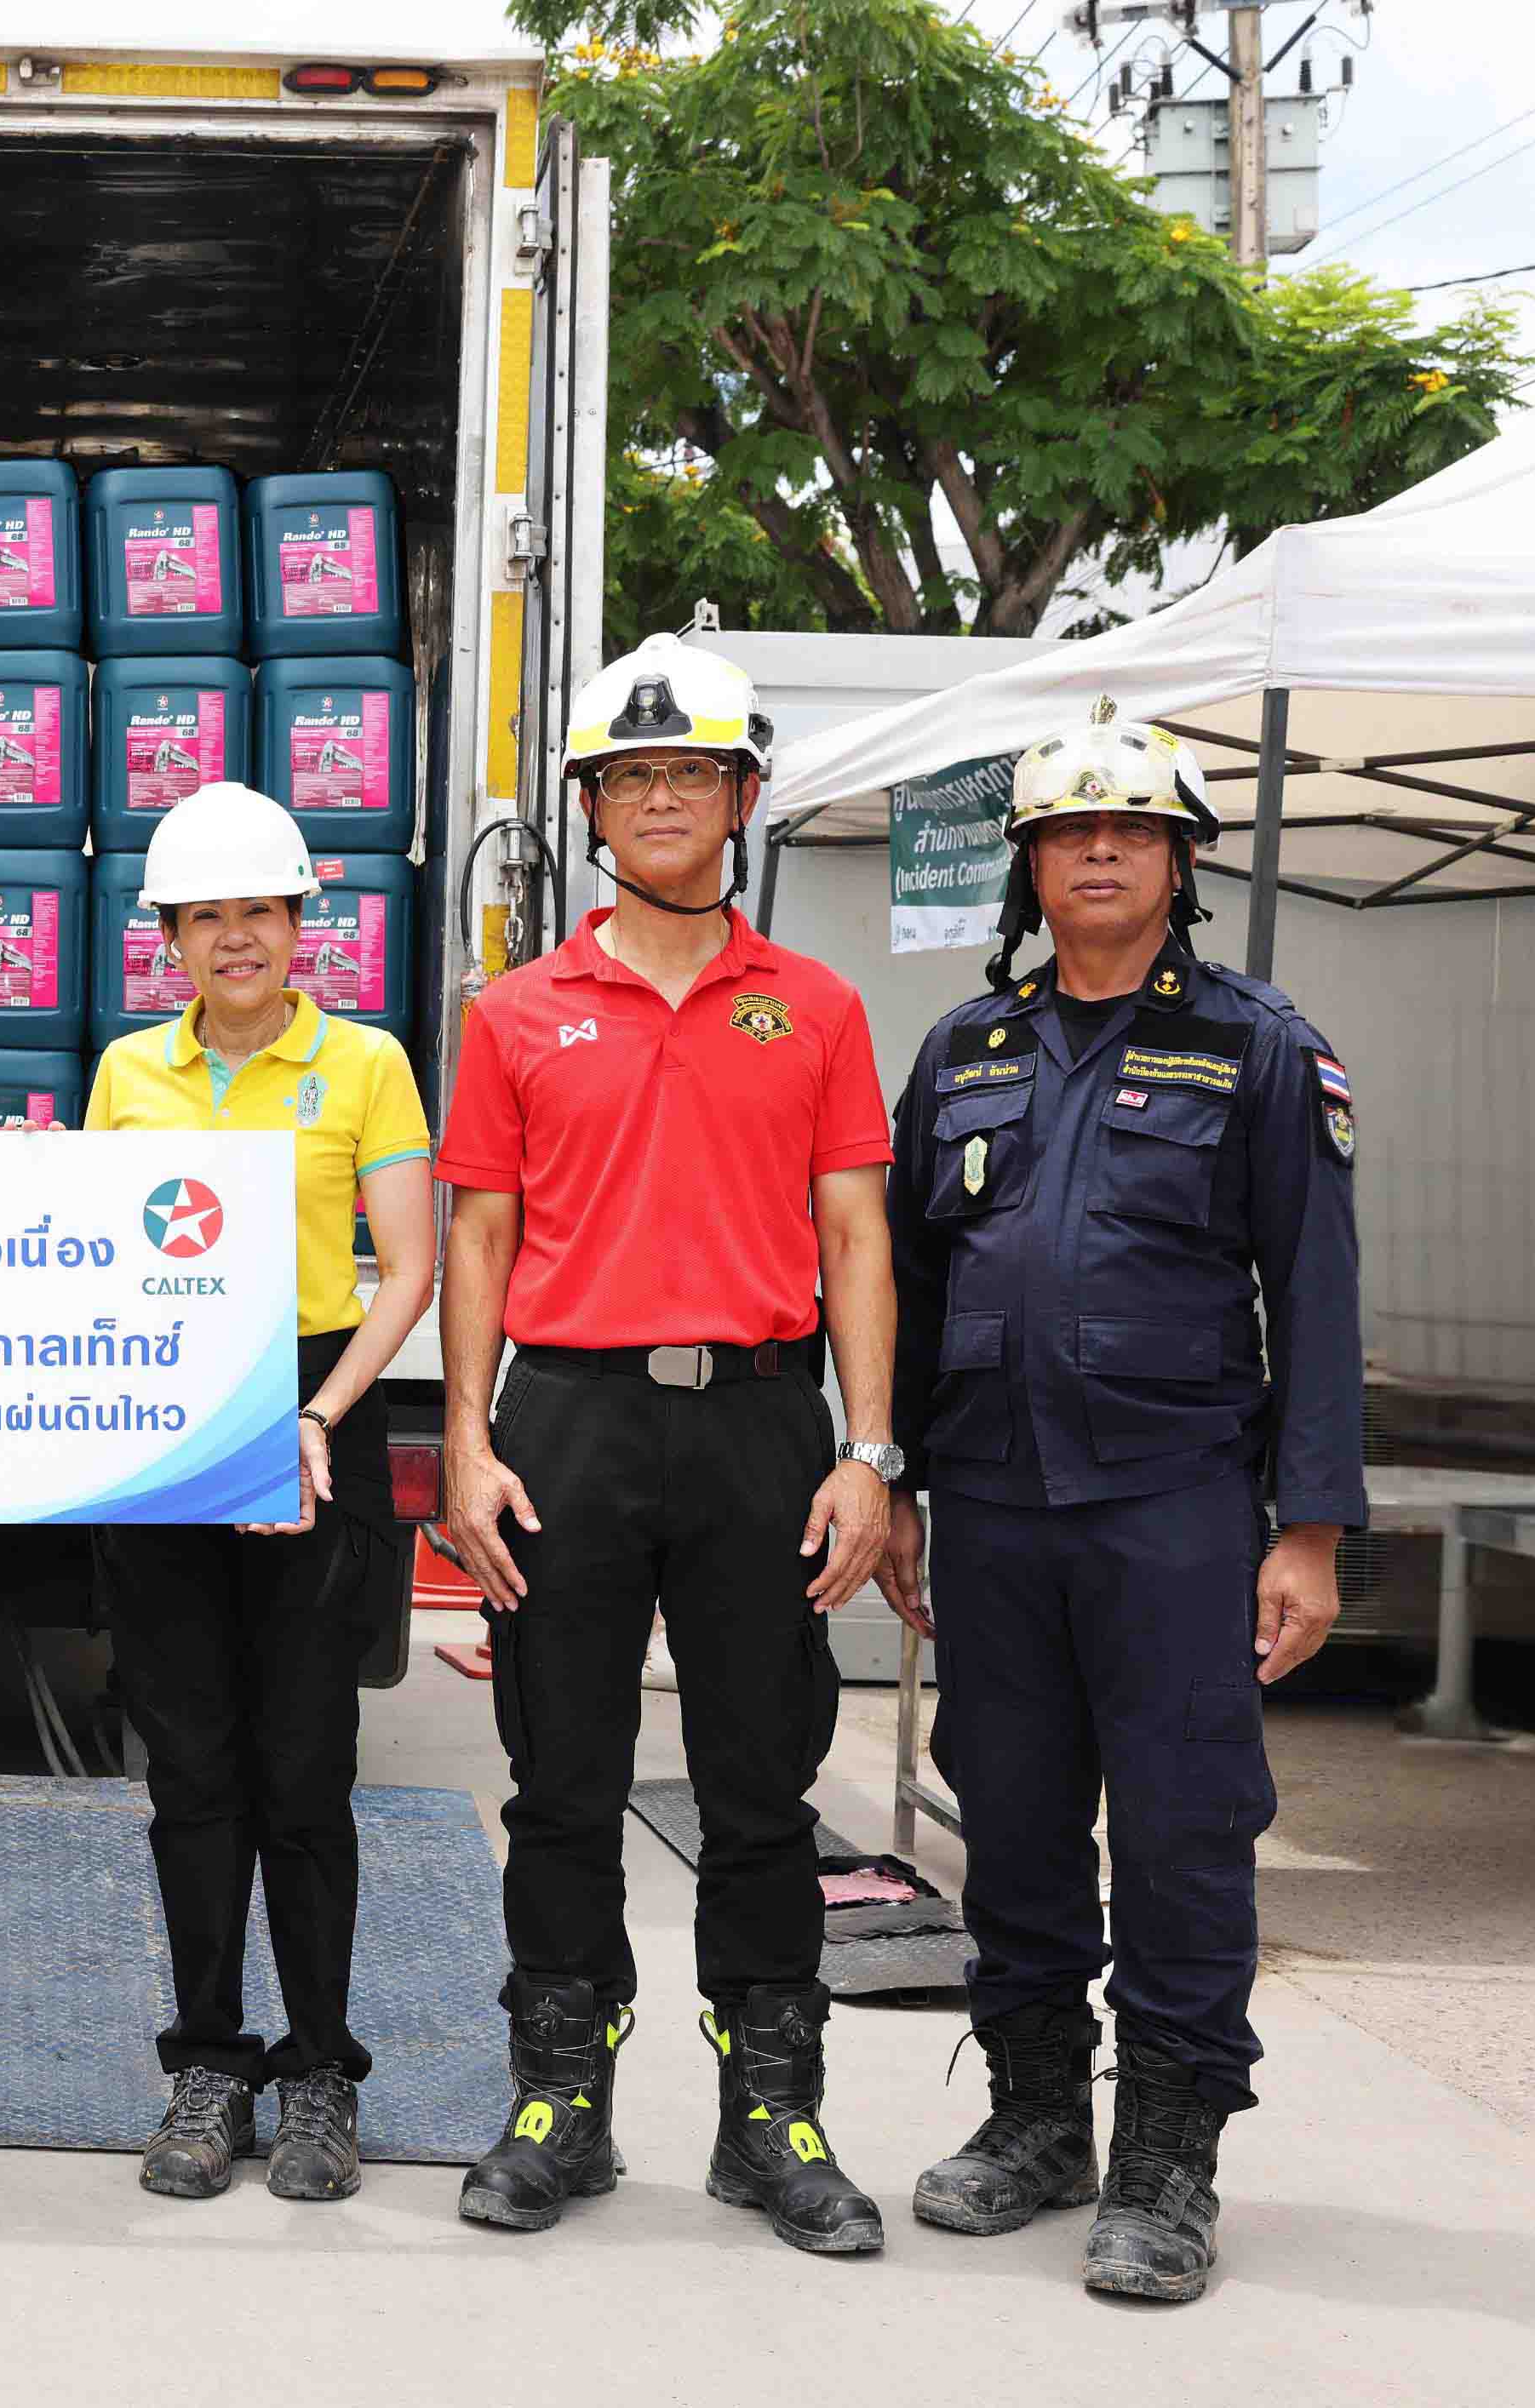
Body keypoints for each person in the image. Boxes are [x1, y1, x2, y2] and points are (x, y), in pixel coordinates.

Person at [885, 700, 1362, 2304]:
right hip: (991, 1504)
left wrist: (1309, 1528)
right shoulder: (963, 1049)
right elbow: (903, 1283)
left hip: (1174, 1506)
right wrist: (888, 1474)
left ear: (1178, 861)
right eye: (1067, 829)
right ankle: (1037, 2118)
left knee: (1179, 1832)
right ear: (1027, 864)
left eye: (1131, 828)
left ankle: (1166, 2156)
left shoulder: (1259, 1046)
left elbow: (1314, 1290)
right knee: (1011, 1815)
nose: (1098, 850)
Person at [433, 631, 902, 2254]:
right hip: (565, 1420)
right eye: (627, 774)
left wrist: (868, 1452)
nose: (657, 798)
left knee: (758, 1780)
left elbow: (855, 1234)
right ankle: (557, 2101)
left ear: (742, 796)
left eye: (689, 772)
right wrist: (466, 1441)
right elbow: (479, 1236)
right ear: (587, 805)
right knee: (559, 1777)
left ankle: (771, 2118)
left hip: (762, 1424)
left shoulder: (816, 1006)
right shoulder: (515, 1012)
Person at [83, 783, 435, 2205]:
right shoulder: (126, 1071)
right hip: (168, 1419)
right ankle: (208, 2063)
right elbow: (95, 1255)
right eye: (205, 916)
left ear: (300, 924)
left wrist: (317, 1414)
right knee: (188, 1766)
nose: (234, 937)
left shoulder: (364, 1063)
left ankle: (320, 2073)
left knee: (302, 1763)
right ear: (167, 936)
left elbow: (405, 1268)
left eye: (259, 912)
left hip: (308, 1410)